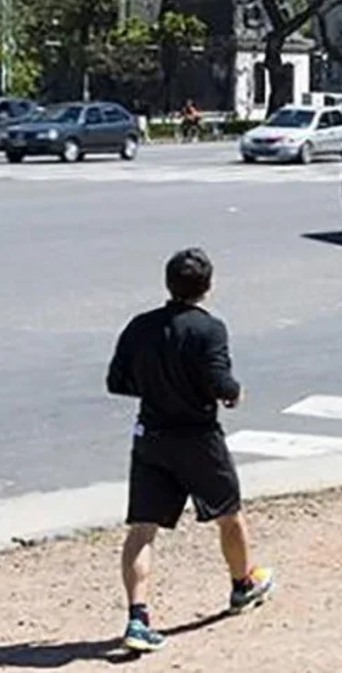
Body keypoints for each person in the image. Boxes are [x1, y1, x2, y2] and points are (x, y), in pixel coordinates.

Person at [106, 249, 275, 653]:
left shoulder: (140, 326)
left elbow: (117, 381)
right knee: (228, 514)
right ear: (208, 286)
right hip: (198, 437)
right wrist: (233, 393)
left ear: (168, 284)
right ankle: (242, 585)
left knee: (142, 529)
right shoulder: (209, 329)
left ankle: (137, 617)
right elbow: (220, 381)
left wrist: (154, 388)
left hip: (151, 437)